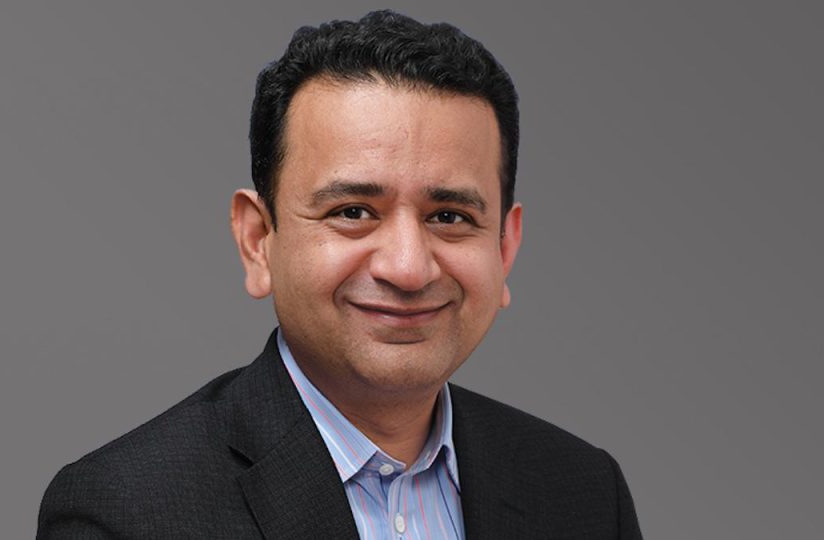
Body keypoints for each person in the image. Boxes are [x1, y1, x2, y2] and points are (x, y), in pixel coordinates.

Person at [37, 10, 642, 539]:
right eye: (353, 212)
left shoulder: (584, 493)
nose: (408, 267)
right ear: (257, 240)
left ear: (505, 247)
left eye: (449, 216)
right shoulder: (125, 513)